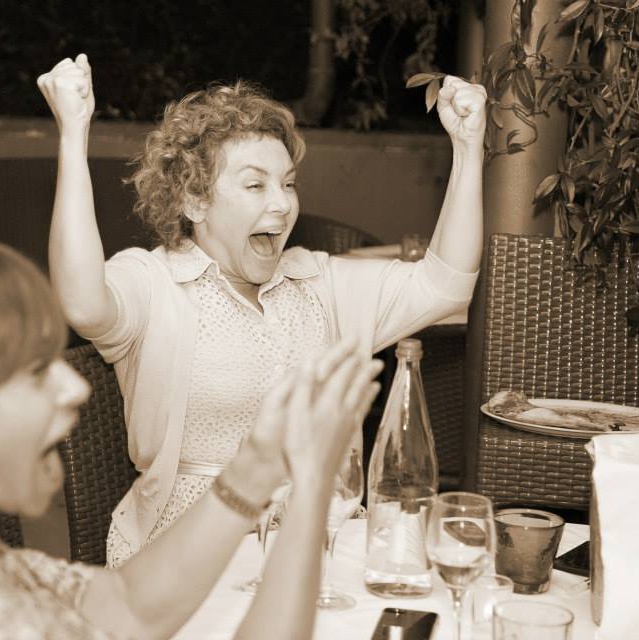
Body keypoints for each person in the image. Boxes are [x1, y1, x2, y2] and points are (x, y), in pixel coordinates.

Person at [0, 235, 382, 639]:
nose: (73, 388)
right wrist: (311, 482)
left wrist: (257, 467)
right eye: (32, 372)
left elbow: (125, 605)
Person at [39, 54, 486, 566]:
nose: (282, 204)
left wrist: (467, 148)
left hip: (318, 540)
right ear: (195, 201)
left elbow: (445, 286)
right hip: (190, 549)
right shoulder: (154, 283)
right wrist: (72, 135)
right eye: (255, 185)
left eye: (288, 183)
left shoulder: (318, 283)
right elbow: (81, 301)